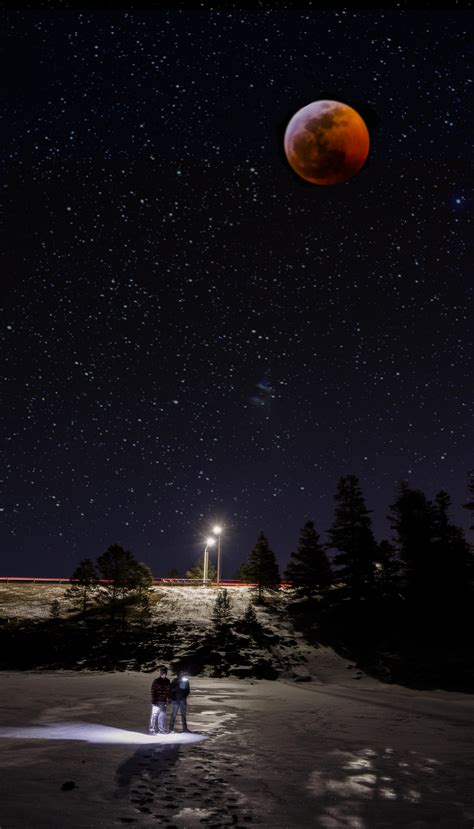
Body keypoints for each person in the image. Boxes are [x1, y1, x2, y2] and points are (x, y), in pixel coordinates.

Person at [149, 666, 172, 735]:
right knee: (154, 716)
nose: (163, 674)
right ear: (160, 673)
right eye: (162, 672)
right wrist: (153, 701)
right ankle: (152, 730)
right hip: (156, 701)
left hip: (163, 701)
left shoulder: (167, 681)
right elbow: (153, 691)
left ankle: (161, 730)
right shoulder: (156, 681)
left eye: (164, 672)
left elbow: (169, 691)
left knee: (161, 717)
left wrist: (169, 698)